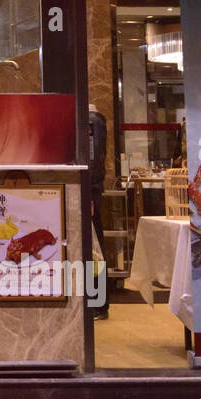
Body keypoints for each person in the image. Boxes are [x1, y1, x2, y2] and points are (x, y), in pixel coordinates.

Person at [88, 103, 111, 319]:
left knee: (93, 249)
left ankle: (98, 302)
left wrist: (89, 190)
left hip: (89, 192)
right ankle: (97, 301)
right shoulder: (95, 120)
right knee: (93, 248)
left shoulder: (91, 121)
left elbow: (93, 161)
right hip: (91, 190)